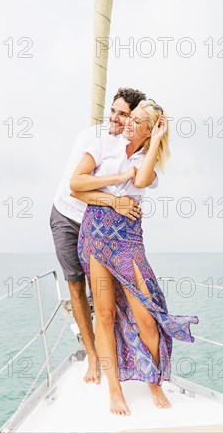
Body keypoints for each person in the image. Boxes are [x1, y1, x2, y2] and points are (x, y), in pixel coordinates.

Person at [70, 99, 199, 415]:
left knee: (146, 318)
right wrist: (113, 198)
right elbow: (76, 186)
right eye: (128, 116)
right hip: (96, 233)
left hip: (128, 240)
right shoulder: (103, 145)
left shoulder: (147, 160)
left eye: (136, 119)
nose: (127, 121)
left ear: (149, 128)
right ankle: (115, 390)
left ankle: (153, 381)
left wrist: (155, 140)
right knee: (106, 314)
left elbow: (140, 181)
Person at [50, 87, 147, 384]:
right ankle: (92, 356)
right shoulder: (93, 138)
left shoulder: (134, 151)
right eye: (114, 111)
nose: (116, 118)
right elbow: (76, 186)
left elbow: (134, 190)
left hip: (101, 226)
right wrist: (114, 200)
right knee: (76, 286)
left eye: (124, 114)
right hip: (67, 216)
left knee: (109, 294)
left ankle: (121, 355)